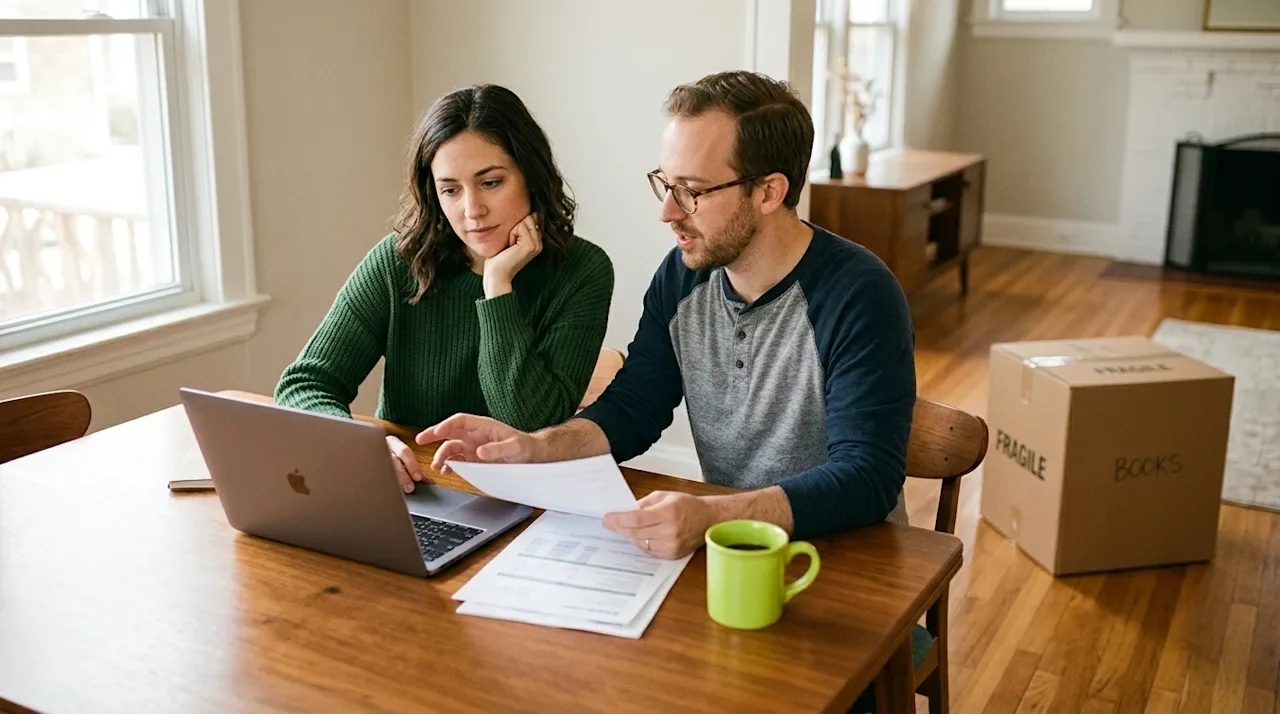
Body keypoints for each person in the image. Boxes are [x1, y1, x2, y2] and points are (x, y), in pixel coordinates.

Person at [419, 69, 915, 557]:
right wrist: (535, 447)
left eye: (692, 191)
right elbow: (636, 407)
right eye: (666, 184)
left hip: (850, 560)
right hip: (734, 553)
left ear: (769, 192)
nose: (668, 212)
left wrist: (713, 516)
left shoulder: (859, 294)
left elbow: (866, 477)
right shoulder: (683, 277)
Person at [274, 84, 614, 495]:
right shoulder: (397, 262)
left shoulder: (584, 272)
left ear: (531, 176)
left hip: (524, 497)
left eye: (490, 182)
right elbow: (304, 385)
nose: (472, 210)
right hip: (412, 487)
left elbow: (528, 422)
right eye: (450, 190)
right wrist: (361, 447)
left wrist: (497, 286)